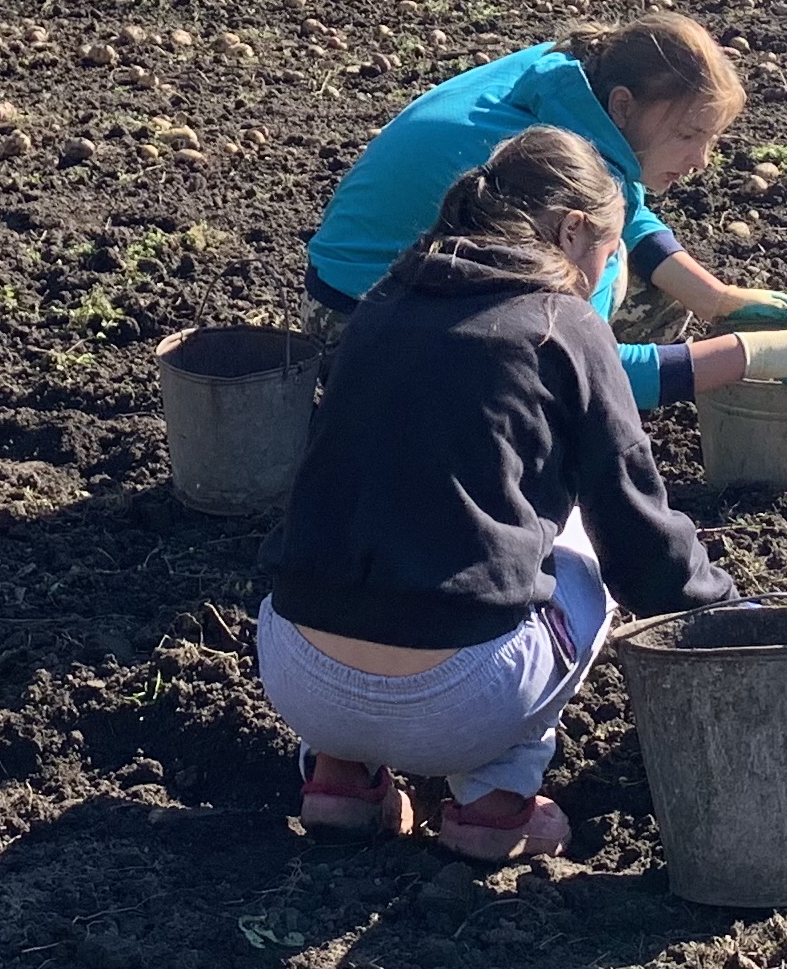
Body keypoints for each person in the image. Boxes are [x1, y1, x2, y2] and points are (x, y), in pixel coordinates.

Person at [258, 126, 741, 864]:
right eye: (607, 258)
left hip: (295, 670)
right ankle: (494, 798)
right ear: (572, 230)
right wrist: (726, 616)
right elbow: (638, 534)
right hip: (459, 700)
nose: (600, 279)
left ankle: (340, 777)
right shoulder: (563, 324)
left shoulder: (385, 299)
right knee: (576, 543)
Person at [307, 15, 787, 416]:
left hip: (379, 294)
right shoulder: (545, 173)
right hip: (361, 333)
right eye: (689, 135)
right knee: (606, 283)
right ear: (623, 106)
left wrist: (716, 299)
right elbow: (580, 365)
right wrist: (750, 354)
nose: (701, 161)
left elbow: (624, 204)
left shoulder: (566, 78)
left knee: (656, 287)